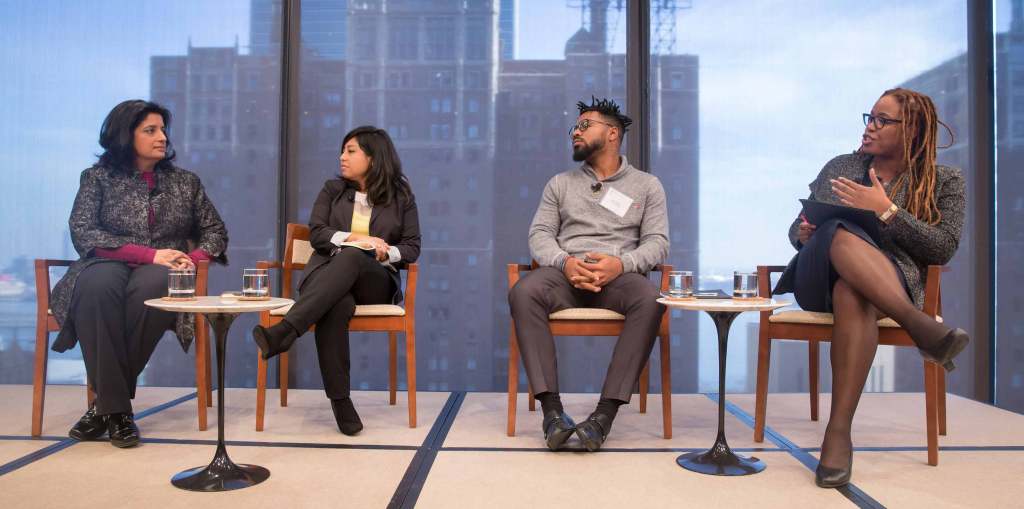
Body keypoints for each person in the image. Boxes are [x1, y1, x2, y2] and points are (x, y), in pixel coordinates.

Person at [774, 88, 969, 488]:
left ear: (911, 129)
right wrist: (805, 232)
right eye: (870, 117)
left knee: (853, 292)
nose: (870, 128)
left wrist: (887, 211)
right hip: (817, 277)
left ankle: (838, 433)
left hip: (886, 283)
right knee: (837, 227)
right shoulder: (841, 166)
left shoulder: (945, 180)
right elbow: (797, 228)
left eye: (882, 120)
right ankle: (922, 327)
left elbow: (943, 248)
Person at [50, 99, 228, 448]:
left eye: (163, 129)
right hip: (105, 264)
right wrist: (148, 254)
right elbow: (83, 231)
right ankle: (117, 412)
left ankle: (107, 407)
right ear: (124, 135)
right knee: (96, 287)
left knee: (158, 284)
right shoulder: (97, 178)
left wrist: (190, 258)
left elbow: (215, 232)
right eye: (151, 130)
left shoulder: (185, 182)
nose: (162, 137)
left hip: (163, 272)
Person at [508, 97, 669, 452]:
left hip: (619, 278)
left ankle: (603, 418)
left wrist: (621, 264)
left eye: (584, 126)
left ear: (612, 134)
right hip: (565, 275)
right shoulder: (559, 184)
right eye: (574, 128)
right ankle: (552, 415)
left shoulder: (647, 186)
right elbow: (540, 235)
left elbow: (658, 242)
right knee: (523, 291)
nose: (575, 133)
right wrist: (565, 262)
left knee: (651, 298)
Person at [252, 126, 420, 436]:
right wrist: (354, 238)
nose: (342, 157)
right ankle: (341, 401)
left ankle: (287, 330)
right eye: (342, 150)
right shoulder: (332, 190)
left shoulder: (401, 196)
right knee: (336, 303)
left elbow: (412, 247)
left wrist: (382, 251)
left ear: (373, 156)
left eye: (351, 151)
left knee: (355, 256)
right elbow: (317, 233)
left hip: (374, 281)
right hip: (327, 278)